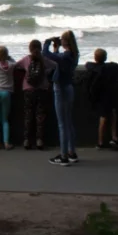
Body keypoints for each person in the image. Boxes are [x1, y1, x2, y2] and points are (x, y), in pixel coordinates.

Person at [44, 31, 80, 166]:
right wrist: (56, 47)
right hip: (69, 87)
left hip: (61, 89)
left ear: (65, 41)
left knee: (62, 124)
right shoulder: (73, 55)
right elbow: (56, 59)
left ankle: (64, 156)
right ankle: (72, 152)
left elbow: (45, 54)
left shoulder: (66, 56)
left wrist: (47, 42)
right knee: (68, 122)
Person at [15, 39, 56, 152]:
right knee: (40, 115)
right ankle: (39, 141)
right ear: (40, 48)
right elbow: (56, 66)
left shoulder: (26, 59)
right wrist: (46, 72)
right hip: (42, 90)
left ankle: (27, 140)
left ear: (30, 48)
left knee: (28, 115)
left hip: (28, 90)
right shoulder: (44, 60)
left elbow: (15, 66)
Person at [85, 48, 118, 151]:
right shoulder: (112, 68)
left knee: (103, 117)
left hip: (101, 96)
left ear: (95, 58)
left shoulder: (94, 68)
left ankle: (100, 142)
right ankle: (114, 137)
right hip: (111, 95)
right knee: (113, 114)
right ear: (105, 57)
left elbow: (88, 64)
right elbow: (115, 65)